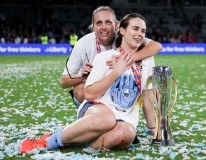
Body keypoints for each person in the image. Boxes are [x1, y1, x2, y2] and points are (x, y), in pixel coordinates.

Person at [20, 13, 155, 153]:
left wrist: (154, 128)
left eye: (143, 31)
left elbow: (147, 94)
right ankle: (50, 141)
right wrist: (116, 72)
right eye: (135, 29)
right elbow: (89, 94)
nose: (140, 34)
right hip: (97, 110)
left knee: (127, 133)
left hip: (124, 118)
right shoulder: (104, 57)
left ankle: (77, 141)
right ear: (122, 30)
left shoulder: (147, 60)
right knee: (107, 118)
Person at [61, 6, 162, 108]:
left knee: (150, 88)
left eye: (108, 22)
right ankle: (90, 115)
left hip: (119, 86)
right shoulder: (83, 43)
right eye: (99, 23)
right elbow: (64, 82)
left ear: (117, 25)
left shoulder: (125, 35)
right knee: (81, 91)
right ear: (93, 27)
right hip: (95, 87)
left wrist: (128, 58)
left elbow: (156, 46)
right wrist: (83, 76)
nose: (104, 27)